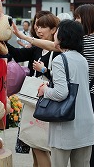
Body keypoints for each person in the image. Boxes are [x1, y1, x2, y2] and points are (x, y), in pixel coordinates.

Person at [14, 4, 94, 167]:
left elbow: (55, 48)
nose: (76, 22)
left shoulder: (83, 43)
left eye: (77, 18)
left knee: (84, 152)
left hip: (93, 99)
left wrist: (28, 38)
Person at [37, 19, 94, 167]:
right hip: (86, 122)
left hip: (66, 124)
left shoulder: (59, 60)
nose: (55, 33)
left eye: (57, 31)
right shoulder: (82, 59)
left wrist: (44, 90)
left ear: (63, 36)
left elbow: (61, 93)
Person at [8, 12, 60, 167]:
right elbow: (17, 55)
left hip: (47, 100)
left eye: (43, 26)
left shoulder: (58, 51)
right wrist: (2, 39)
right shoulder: (37, 48)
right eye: (38, 26)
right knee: (34, 142)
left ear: (53, 30)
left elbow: (60, 80)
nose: (38, 29)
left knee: (40, 146)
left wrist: (44, 70)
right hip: (32, 100)